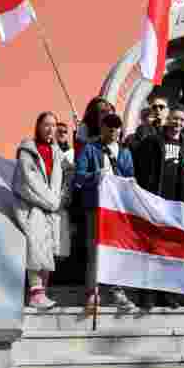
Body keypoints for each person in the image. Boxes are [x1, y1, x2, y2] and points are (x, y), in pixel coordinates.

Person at [133, 105, 184, 309]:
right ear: (168, 119)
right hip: (153, 204)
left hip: (176, 208)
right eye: (174, 118)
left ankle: (168, 294)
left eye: (181, 120)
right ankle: (148, 296)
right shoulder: (152, 143)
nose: (177, 123)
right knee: (150, 249)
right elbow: (138, 170)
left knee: (171, 251)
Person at [73, 113, 137, 314]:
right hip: (96, 206)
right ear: (101, 129)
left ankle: (117, 291)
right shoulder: (90, 149)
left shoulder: (125, 153)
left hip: (117, 209)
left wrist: (130, 183)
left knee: (117, 250)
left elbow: (129, 177)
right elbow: (79, 176)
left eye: (116, 127)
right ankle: (93, 292)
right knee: (95, 249)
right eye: (109, 127)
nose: (113, 130)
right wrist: (96, 176)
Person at [12, 112, 73, 311]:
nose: (50, 129)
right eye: (46, 125)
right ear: (38, 126)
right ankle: (35, 293)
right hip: (33, 207)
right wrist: (51, 202)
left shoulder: (58, 153)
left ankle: (43, 292)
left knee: (49, 250)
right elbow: (29, 182)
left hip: (53, 209)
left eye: (53, 125)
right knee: (36, 247)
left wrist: (63, 197)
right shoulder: (27, 151)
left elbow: (70, 174)